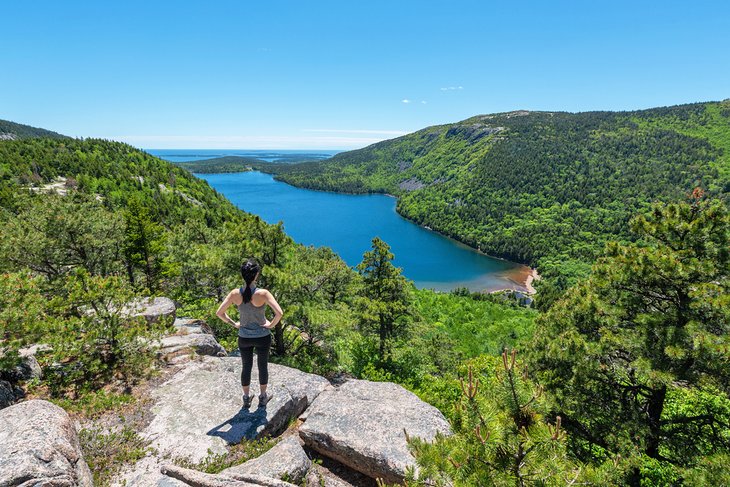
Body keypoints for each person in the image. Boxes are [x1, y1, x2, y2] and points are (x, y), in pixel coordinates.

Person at [216, 258, 283, 408]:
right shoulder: (263, 294)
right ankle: (263, 397)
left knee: (246, 366)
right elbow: (279, 313)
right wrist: (270, 325)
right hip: (262, 337)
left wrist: (235, 324)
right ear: (256, 274)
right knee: (262, 366)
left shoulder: (235, 294)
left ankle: (246, 398)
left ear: (242, 275)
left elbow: (219, 313)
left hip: (244, 337)